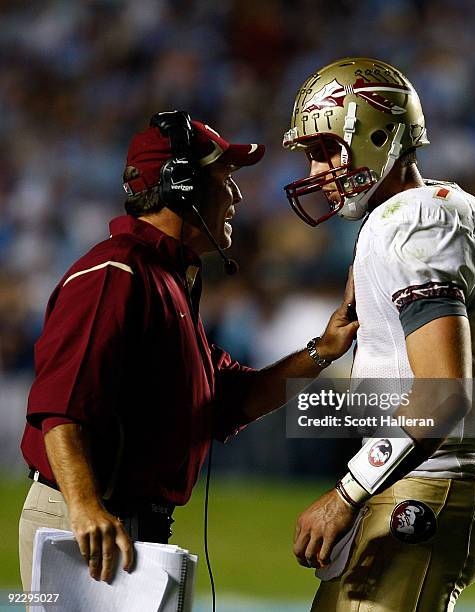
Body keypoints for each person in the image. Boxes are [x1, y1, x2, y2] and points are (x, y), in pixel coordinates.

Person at [19, 111, 359, 590]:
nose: (237, 196)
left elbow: (228, 400)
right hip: (91, 522)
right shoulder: (115, 275)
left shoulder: (165, 278)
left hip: (121, 519)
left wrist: (322, 351)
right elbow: (62, 408)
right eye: (226, 179)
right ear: (183, 186)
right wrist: (85, 507)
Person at [282, 58, 475, 611]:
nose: (316, 172)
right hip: (418, 476)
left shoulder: (414, 225)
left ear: (378, 135)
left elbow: (442, 393)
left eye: (326, 149)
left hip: (431, 482)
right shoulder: (425, 212)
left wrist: (345, 493)